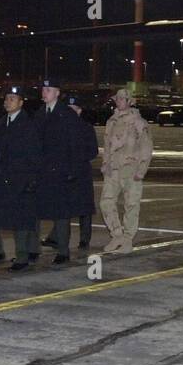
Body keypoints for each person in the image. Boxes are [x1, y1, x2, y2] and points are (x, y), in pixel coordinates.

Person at [0, 83, 43, 270]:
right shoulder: (0, 124)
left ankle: (22, 257)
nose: (8, 102)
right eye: (6, 98)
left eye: (12, 99)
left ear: (21, 102)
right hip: (0, 178)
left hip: (19, 179)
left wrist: (31, 180)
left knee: (20, 220)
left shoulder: (28, 125)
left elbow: (35, 155)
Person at [100, 87, 153, 253]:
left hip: (131, 170)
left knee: (131, 205)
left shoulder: (139, 122)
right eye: (118, 99)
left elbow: (146, 147)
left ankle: (128, 239)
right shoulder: (111, 121)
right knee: (106, 202)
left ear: (130, 101)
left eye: (123, 99)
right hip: (113, 170)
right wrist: (105, 163)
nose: (119, 101)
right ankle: (117, 235)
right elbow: (107, 146)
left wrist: (141, 170)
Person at [32, 79, 78, 264]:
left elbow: (74, 145)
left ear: (57, 93)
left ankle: (63, 251)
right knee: (35, 210)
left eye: (48, 90)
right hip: (41, 171)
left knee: (60, 213)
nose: (44, 93)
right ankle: (32, 249)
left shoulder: (66, 115)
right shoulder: (39, 114)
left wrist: (70, 170)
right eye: (43, 89)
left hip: (59, 171)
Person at [45, 96, 100, 250]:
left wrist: (77, 159)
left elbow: (93, 150)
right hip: (65, 171)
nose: (70, 112)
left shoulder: (86, 127)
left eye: (73, 109)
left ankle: (84, 239)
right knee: (64, 206)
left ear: (79, 111)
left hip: (81, 172)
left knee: (84, 208)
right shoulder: (61, 127)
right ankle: (55, 237)